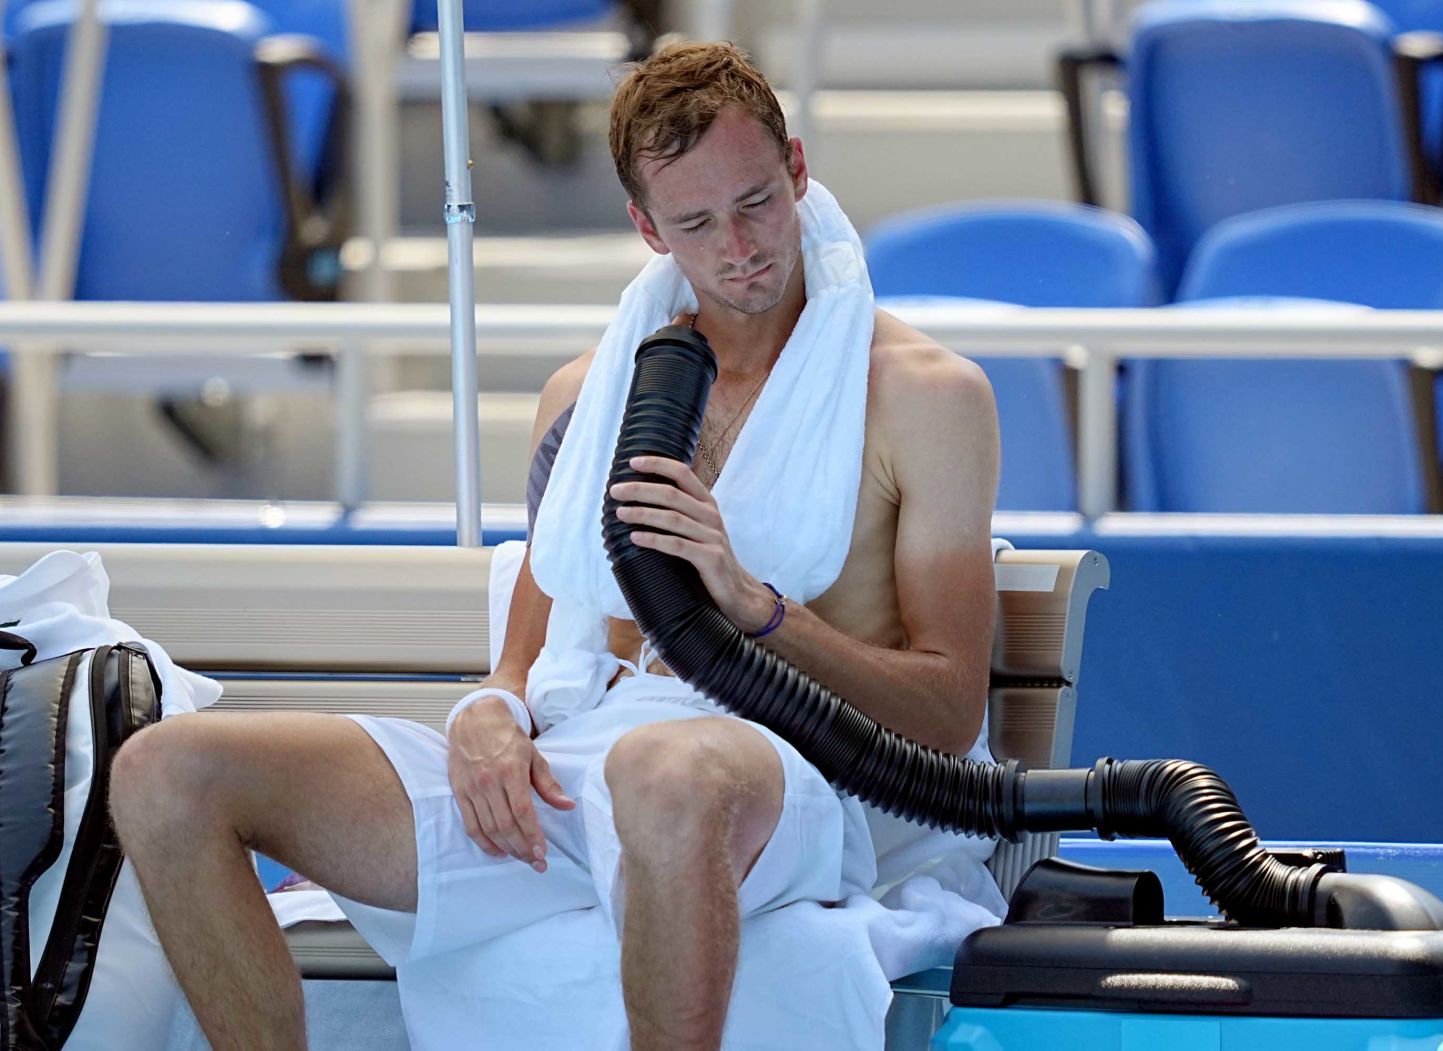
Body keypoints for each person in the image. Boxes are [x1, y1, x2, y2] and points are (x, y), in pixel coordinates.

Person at [108, 41, 1001, 1051]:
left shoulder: (926, 398)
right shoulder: (587, 395)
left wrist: (750, 608)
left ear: (797, 169)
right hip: (587, 764)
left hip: (794, 782)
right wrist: (490, 712)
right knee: (168, 772)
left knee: (662, 773)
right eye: (696, 224)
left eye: (757, 202)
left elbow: (944, 707)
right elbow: (525, 662)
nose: (740, 246)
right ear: (644, 228)